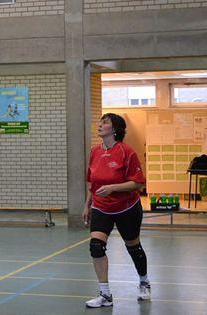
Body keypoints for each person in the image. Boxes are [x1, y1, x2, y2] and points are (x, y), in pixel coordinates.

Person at [83, 113, 149, 308]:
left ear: (115, 129)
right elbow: (92, 183)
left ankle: (144, 281)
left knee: (133, 247)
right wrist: (87, 205)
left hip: (126, 208)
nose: (100, 125)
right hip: (101, 207)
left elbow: (137, 183)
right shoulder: (95, 152)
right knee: (96, 246)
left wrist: (113, 188)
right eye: (100, 122)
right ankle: (105, 295)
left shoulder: (126, 152)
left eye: (105, 123)